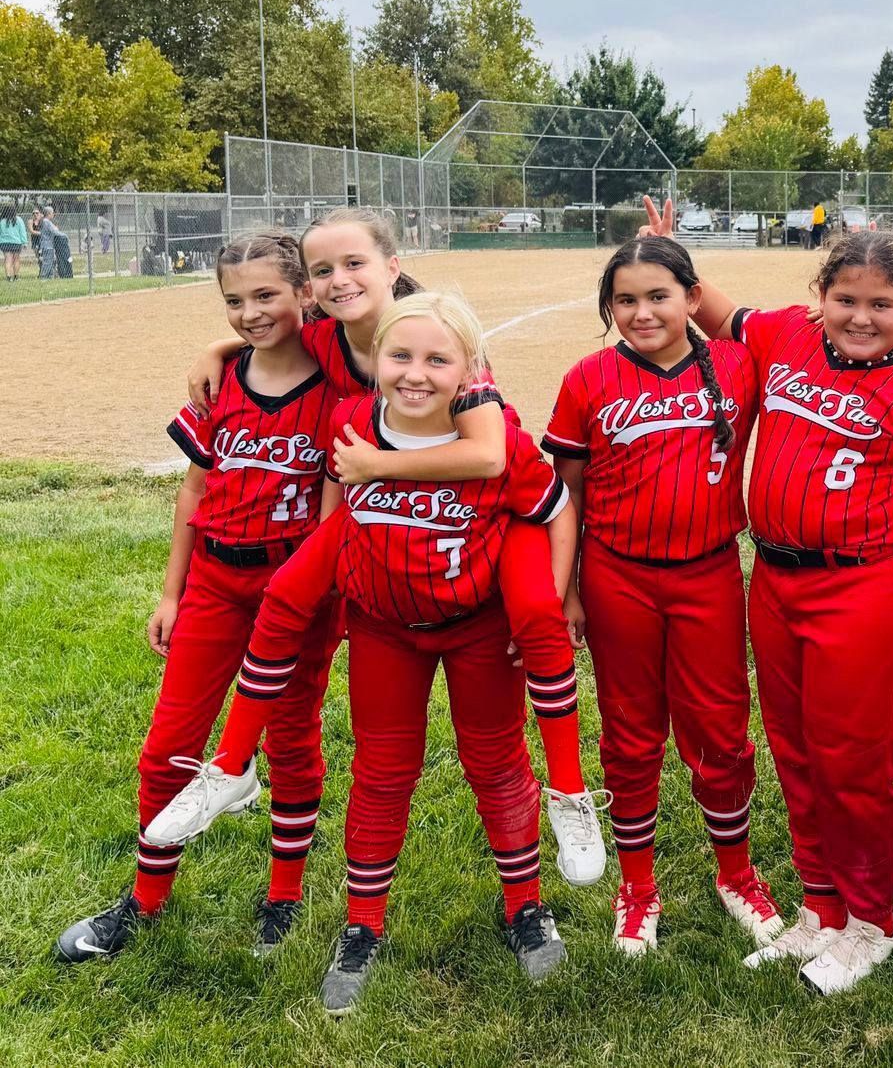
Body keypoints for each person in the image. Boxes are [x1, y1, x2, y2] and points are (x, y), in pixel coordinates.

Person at [169, 207, 604, 885]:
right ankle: (228, 765)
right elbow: (266, 332)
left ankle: (569, 794)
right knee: (290, 599)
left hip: (478, 499)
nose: (340, 280)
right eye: (323, 271)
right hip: (377, 506)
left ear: (392, 267)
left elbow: (488, 456)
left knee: (535, 626)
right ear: (309, 289)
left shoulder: (445, 344)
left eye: (355, 264)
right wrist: (217, 350)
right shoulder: (321, 339)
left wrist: (373, 467)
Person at [207, 292, 577, 1013]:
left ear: (471, 368)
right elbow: (337, 508)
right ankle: (362, 924)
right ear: (374, 359)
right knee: (381, 771)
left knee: (497, 764)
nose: (415, 373)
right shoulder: (352, 422)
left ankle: (525, 906)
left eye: (437, 359)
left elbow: (554, 511)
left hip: (476, 623)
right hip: (385, 627)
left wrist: (551, 598)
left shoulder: (499, 440)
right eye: (399, 355)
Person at [679, 214, 893, 994]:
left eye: (881, 303)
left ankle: (874, 919)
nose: (861, 317)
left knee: (852, 766)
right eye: (845, 298)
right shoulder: (786, 336)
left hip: (866, 586)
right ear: (820, 296)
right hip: (773, 579)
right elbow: (714, 309)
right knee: (796, 754)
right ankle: (822, 907)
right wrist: (675, 252)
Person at [55, 231, 341, 962]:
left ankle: (283, 895)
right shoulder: (220, 382)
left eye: (267, 294)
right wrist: (170, 591)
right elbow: (193, 490)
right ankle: (145, 899)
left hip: (298, 587)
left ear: (304, 292)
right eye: (234, 301)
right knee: (168, 748)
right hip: (216, 578)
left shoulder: (340, 386)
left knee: (291, 736)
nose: (249, 313)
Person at [542, 235, 783, 955]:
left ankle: (735, 872)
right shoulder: (588, 377)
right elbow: (567, 497)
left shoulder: (739, 365)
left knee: (718, 727)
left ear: (690, 295)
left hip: (708, 570)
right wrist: (570, 590)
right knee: (630, 728)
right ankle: (637, 886)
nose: (642, 312)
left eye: (658, 295)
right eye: (625, 299)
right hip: (617, 574)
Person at [0, 204, 25, 281]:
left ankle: (8, 277)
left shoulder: (1, 221)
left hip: (5, 243)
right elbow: (22, 231)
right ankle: (16, 276)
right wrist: (24, 242)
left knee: (8, 259)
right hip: (16, 242)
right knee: (16, 259)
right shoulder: (19, 220)